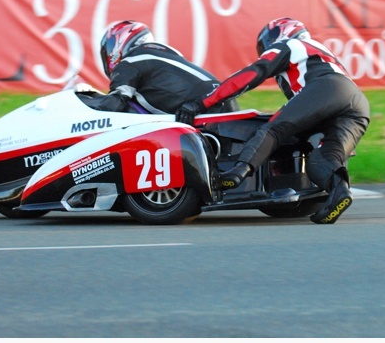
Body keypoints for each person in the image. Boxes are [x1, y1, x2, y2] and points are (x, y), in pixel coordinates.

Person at [175, 17, 370, 225]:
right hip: (357, 104)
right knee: (323, 159)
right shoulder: (319, 51)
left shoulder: (289, 45)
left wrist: (202, 103)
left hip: (327, 89)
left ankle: (237, 173)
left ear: (279, 33)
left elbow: (251, 75)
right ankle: (340, 192)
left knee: (273, 130)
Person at [96, 20, 239, 115]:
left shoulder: (130, 62)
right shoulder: (162, 56)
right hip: (221, 99)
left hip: (204, 109)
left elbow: (115, 104)